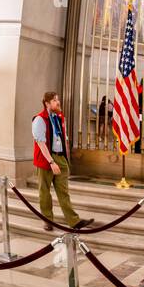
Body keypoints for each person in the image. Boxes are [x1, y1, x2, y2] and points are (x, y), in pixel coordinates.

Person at [32, 92, 93, 230]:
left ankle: (74, 221)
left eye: (57, 99)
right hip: (46, 158)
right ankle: (48, 221)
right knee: (44, 191)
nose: (58, 102)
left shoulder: (59, 117)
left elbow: (64, 139)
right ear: (47, 103)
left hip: (60, 158)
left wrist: (66, 159)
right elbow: (41, 144)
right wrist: (51, 162)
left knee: (63, 192)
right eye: (54, 100)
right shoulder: (39, 119)